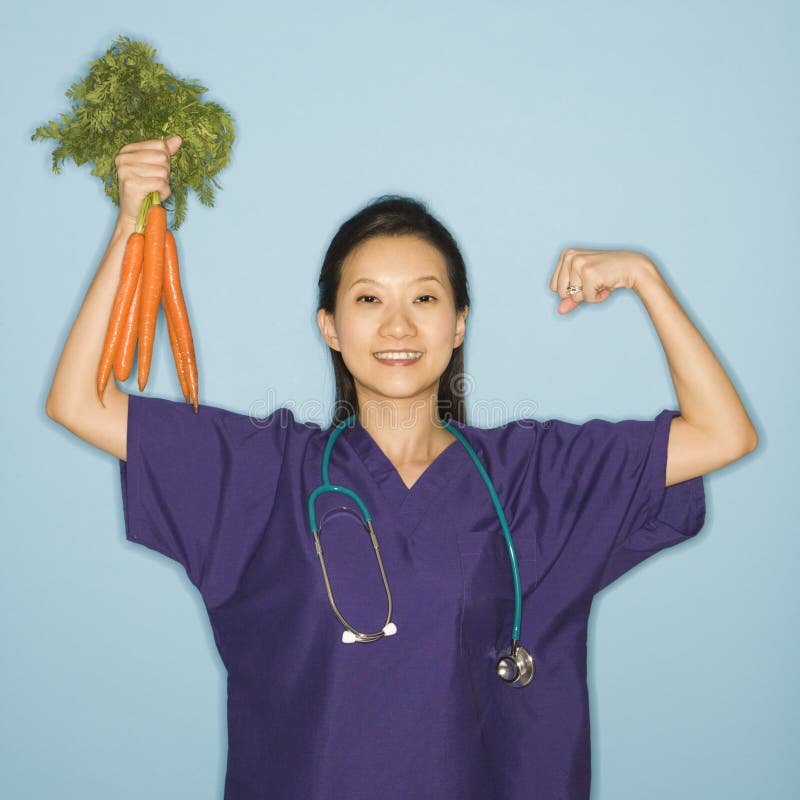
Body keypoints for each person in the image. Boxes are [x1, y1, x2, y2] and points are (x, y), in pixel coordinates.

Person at [45, 136, 758, 800]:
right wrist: (132, 225)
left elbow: (722, 433)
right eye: (367, 300)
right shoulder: (265, 472)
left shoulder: (535, 474)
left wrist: (646, 279)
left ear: (459, 323)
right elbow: (81, 401)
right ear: (329, 325)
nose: (397, 327)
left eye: (424, 298)